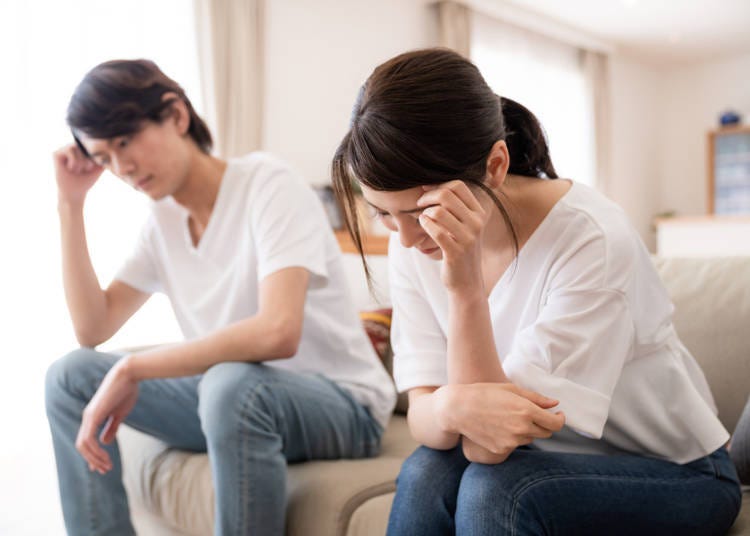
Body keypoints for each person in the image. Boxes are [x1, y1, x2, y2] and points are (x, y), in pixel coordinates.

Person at [332, 48, 742, 535]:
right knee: (425, 471)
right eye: (382, 212)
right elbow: (427, 416)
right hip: (538, 460)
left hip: (679, 474)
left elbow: (487, 447)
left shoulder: (593, 240)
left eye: (422, 211)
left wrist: (464, 291)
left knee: (497, 490)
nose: (403, 239)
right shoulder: (412, 243)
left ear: (496, 164)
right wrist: (448, 405)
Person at [45, 59, 395, 536]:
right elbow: (92, 327)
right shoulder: (161, 225)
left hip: (341, 405)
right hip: (230, 400)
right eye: (105, 158)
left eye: (124, 142)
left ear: (176, 116)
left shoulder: (268, 184)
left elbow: (278, 331)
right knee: (69, 376)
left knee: (231, 385)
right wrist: (71, 203)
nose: (121, 168)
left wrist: (133, 367)